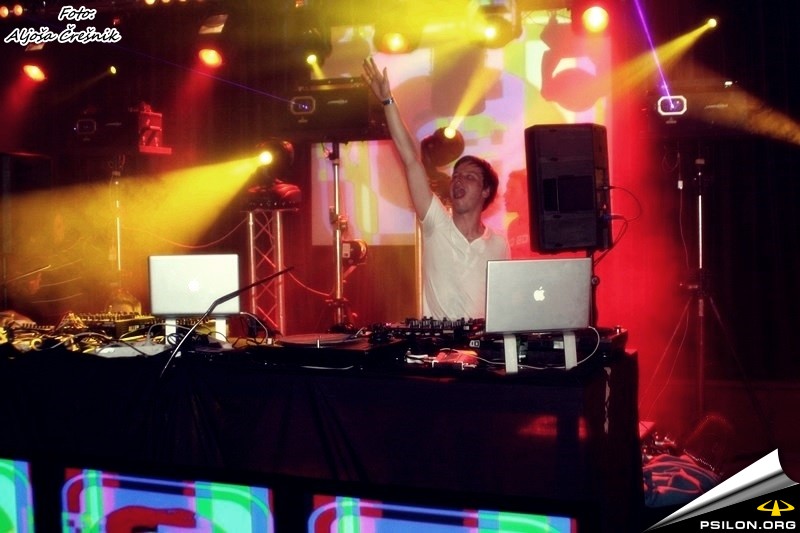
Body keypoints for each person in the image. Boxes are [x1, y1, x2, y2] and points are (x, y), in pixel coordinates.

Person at [362, 57, 510, 320]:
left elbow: (506, 300)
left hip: (482, 343)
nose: (458, 180)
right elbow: (411, 159)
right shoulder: (436, 223)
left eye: (470, 177)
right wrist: (387, 101)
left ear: (486, 191)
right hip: (439, 341)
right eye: (456, 176)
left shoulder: (499, 244)